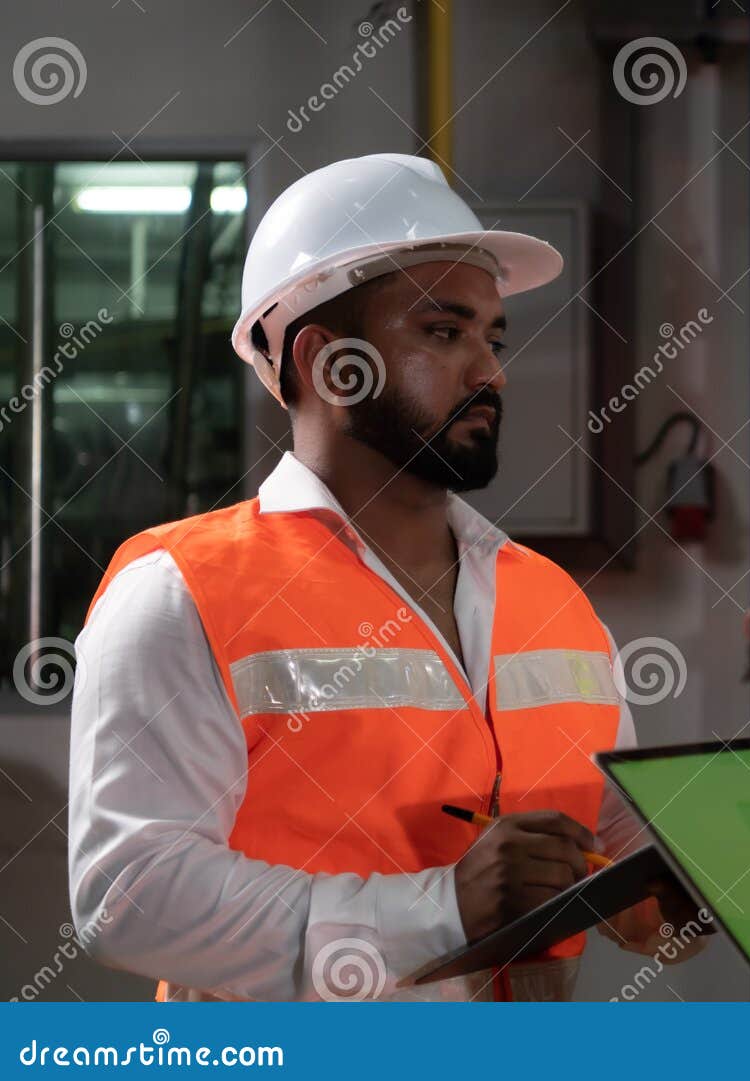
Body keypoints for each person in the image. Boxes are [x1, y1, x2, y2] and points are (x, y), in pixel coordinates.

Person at [68, 154, 698, 1001]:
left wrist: (673, 888)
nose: (491, 372)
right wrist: (440, 908)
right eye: (444, 333)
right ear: (328, 361)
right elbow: (128, 895)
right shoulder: (183, 590)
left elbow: (607, 831)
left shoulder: (551, 599)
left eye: (493, 337)